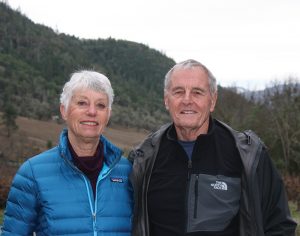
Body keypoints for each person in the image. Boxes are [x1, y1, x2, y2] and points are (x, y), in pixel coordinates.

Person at [129, 59, 297, 236]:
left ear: (213, 100)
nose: (187, 100)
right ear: (166, 100)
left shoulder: (248, 155)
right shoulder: (143, 158)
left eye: (197, 92)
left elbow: (279, 226)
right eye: (178, 92)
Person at [2, 70, 133, 235]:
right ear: (64, 110)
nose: (92, 112)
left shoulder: (128, 172)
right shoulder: (33, 173)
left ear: (108, 114)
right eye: (82, 103)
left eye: (100, 105)